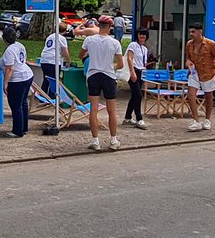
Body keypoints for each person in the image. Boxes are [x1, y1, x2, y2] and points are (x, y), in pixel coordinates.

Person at [81, 15, 123, 151]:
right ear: (110, 27)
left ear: (98, 26)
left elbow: (81, 55)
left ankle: (95, 140)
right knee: (111, 110)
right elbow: (120, 64)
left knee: (93, 109)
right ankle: (113, 139)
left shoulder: (89, 40)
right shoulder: (115, 42)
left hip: (93, 75)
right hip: (108, 76)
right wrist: (112, 66)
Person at [184, 23, 215, 131]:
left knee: (208, 97)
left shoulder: (211, 44)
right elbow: (188, 58)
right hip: (194, 73)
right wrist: (188, 64)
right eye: (190, 32)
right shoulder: (189, 44)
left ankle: (207, 119)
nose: (191, 34)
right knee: (191, 95)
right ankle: (196, 120)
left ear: (200, 31)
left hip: (208, 73)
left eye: (193, 32)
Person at [1, 26, 34, 138]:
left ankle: (17, 130)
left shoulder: (9, 51)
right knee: (23, 102)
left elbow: (9, 69)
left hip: (17, 79)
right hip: (27, 75)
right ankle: (23, 127)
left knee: (16, 105)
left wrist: (5, 83)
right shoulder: (20, 45)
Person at [123, 28, 153, 129]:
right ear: (137, 35)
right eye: (140, 34)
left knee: (135, 95)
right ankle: (139, 118)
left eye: (144, 35)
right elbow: (129, 58)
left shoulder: (144, 49)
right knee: (138, 95)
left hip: (141, 72)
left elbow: (143, 63)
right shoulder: (133, 45)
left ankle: (127, 117)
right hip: (134, 71)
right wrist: (132, 72)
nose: (142, 37)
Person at [39, 18, 72, 97]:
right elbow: (65, 51)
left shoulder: (50, 36)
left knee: (46, 79)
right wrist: (68, 61)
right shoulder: (62, 38)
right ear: (65, 31)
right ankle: (51, 97)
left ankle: (42, 96)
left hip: (44, 59)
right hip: (53, 61)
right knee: (53, 80)